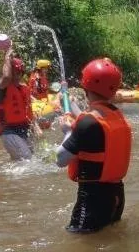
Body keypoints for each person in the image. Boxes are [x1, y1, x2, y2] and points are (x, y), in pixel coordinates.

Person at [56, 58, 131, 233]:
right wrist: (71, 104)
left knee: (79, 241)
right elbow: (92, 122)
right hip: (116, 195)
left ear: (86, 86)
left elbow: (59, 159)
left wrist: (67, 131)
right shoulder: (117, 115)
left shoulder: (87, 124)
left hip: (92, 199)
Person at [0, 49, 41, 160]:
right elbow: (6, 77)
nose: (18, 76)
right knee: (27, 161)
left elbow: (29, 112)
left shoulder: (24, 88)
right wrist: (7, 58)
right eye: (16, 73)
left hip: (25, 129)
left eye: (20, 73)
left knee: (32, 160)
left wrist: (36, 127)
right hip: (10, 132)